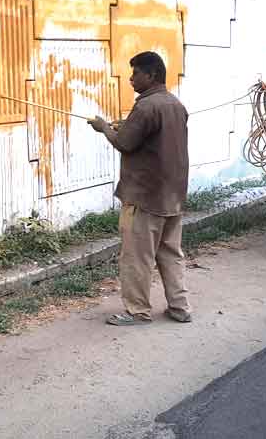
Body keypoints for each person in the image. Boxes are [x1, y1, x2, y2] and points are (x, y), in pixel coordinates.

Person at [88, 51, 192, 326]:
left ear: (152, 75)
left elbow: (125, 143)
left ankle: (137, 311)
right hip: (173, 196)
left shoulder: (146, 107)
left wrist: (104, 128)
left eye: (135, 73)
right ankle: (180, 308)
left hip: (145, 197)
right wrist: (123, 127)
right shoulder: (175, 104)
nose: (131, 79)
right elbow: (150, 137)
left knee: (136, 257)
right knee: (171, 253)